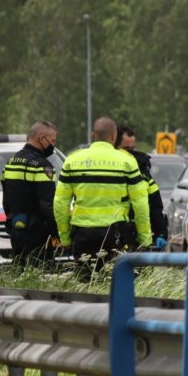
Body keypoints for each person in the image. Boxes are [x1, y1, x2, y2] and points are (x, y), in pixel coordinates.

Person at [54, 117, 151, 277]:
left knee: (85, 283)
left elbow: (60, 203)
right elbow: (140, 203)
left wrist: (65, 238)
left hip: (82, 233)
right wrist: (144, 239)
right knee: (116, 282)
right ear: (114, 136)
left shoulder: (73, 160)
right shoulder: (127, 161)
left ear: (93, 135)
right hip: (115, 234)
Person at [1, 120, 59, 266]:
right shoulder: (42, 165)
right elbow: (47, 204)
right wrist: (57, 231)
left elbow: (6, 199)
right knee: (41, 277)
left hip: (17, 229)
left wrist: (10, 222)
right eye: (52, 141)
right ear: (41, 138)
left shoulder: (11, 162)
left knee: (20, 274)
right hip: (38, 234)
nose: (53, 145)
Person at [117, 125, 168, 251]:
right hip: (115, 233)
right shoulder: (110, 169)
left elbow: (155, 203)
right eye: (125, 149)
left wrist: (161, 232)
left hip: (137, 236)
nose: (130, 153)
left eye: (132, 148)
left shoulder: (141, 166)